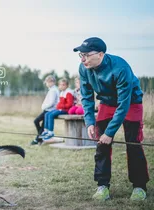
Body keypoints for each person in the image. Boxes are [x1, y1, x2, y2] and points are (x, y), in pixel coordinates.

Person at [74, 37, 148, 201]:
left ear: (100, 54)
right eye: (81, 55)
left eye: (86, 55)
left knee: (133, 143)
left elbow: (123, 104)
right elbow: (86, 98)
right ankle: (102, 186)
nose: (83, 59)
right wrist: (90, 122)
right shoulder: (83, 68)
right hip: (107, 102)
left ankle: (139, 186)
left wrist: (109, 132)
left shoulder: (120, 67)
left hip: (130, 102)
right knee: (101, 144)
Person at [31, 75, 59, 145]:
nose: (46, 84)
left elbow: (52, 102)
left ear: (51, 82)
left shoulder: (53, 90)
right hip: (48, 110)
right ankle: (39, 138)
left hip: (49, 110)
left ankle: (38, 139)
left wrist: (44, 107)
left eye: (47, 82)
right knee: (42, 125)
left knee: (36, 121)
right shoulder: (52, 90)